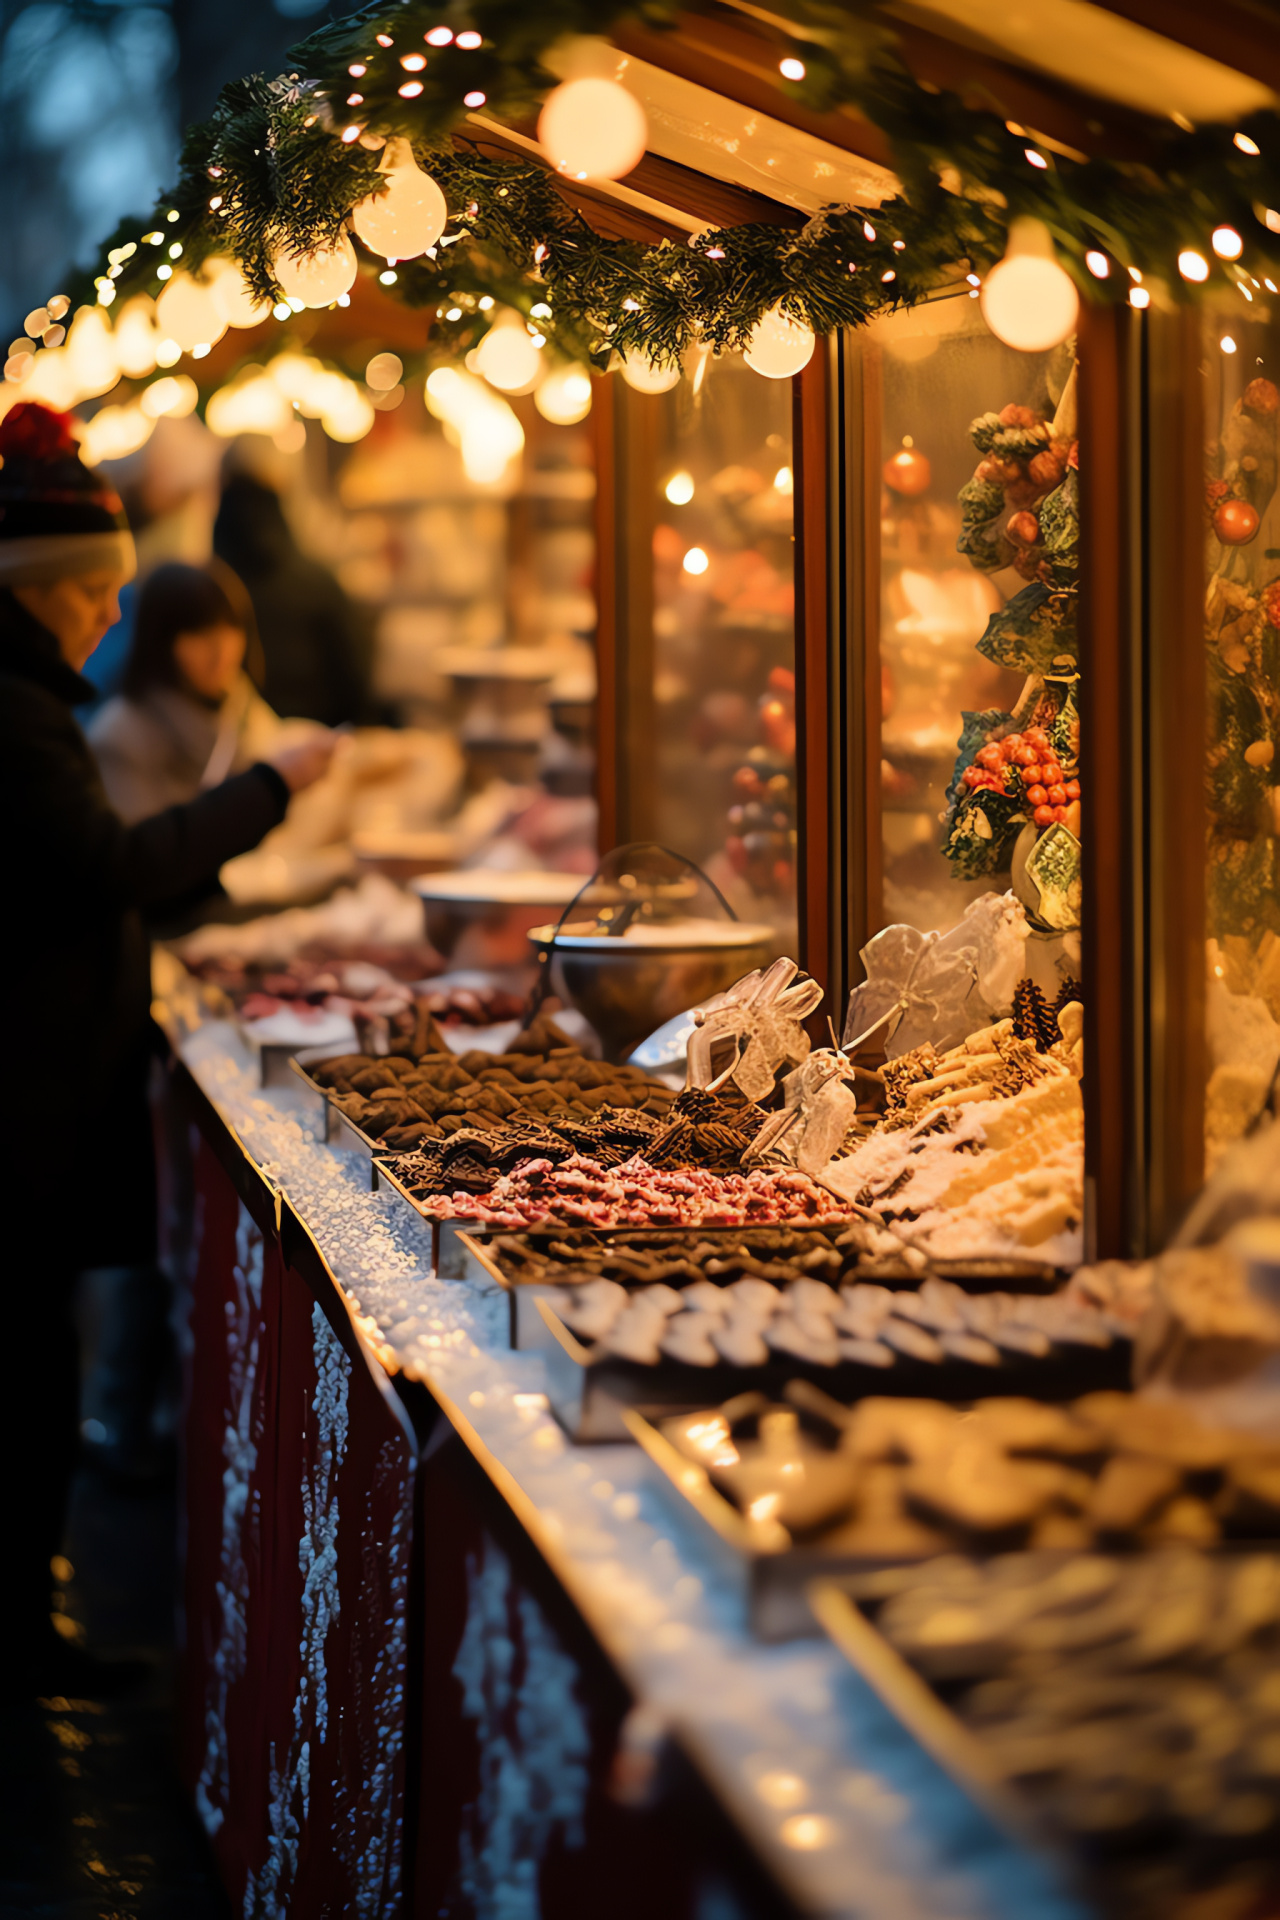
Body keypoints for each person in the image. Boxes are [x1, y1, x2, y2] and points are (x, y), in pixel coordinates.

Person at [0, 402, 334, 1701]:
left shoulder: (31, 700)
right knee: (29, 1368)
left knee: (35, 1362)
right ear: (54, 592)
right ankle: (21, 1641)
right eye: (101, 594)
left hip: (35, 1081)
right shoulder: (26, 719)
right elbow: (113, 867)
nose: (109, 618)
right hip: (21, 1093)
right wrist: (269, 792)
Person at [89, 559, 283, 824]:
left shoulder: (241, 705)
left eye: (232, 627)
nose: (222, 651)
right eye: (200, 633)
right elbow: (143, 854)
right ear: (161, 640)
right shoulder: (119, 737)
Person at [213, 439, 373, 726]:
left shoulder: (204, 588)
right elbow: (355, 683)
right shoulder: (318, 583)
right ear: (282, 488)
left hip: (229, 754)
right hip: (317, 747)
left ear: (221, 485)